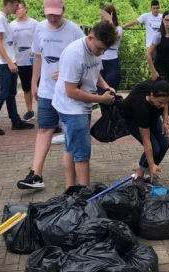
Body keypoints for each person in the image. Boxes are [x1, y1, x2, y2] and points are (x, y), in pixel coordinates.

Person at [17, 0, 85, 190]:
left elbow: (86, 59)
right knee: (44, 129)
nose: (53, 17)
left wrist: (71, 76)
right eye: (49, 14)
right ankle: (36, 174)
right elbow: (37, 56)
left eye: (57, 13)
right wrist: (34, 83)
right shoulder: (39, 28)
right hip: (47, 90)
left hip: (69, 91)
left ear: (63, 10)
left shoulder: (74, 31)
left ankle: (76, 179)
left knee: (70, 132)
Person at [52, 20, 117, 188]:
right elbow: (71, 91)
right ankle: (84, 197)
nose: (101, 53)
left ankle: (70, 191)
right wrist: (101, 99)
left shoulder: (95, 52)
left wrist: (106, 86)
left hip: (80, 106)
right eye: (99, 49)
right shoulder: (75, 54)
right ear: (90, 37)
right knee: (82, 154)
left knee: (70, 147)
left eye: (104, 50)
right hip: (72, 108)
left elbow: (95, 72)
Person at [0, 0, 34, 135]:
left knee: (11, 94)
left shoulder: (3, 19)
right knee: (3, 93)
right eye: (16, 5)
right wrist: (9, 61)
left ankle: (15, 121)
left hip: (9, 61)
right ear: (10, 3)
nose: (17, 8)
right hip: (3, 63)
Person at [120, 78, 169, 187]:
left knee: (164, 144)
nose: (163, 105)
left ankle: (150, 174)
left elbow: (166, 102)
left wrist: (165, 121)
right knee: (154, 147)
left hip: (152, 116)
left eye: (165, 102)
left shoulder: (160, 88)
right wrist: (152, 163)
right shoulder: (141, 108)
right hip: (132, 119)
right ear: (152, 95)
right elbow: (146, 140)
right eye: (160, 102)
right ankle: (138, 177)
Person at [145, 10, 169, 129]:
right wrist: (153, 71)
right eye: (166, 20)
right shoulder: (158, 35)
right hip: (160, 68)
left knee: (159, 93)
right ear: (162, 21)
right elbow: (148, 54)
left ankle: (152, 112)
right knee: (165, 91)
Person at [10, 1, 38, 121]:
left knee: (39, 86)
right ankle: (29, 111)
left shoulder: (35, 24)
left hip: (35, 61)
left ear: (25, 9)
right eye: (15, 8)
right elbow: (9, 44)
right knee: (26, 88)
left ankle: (43, 110)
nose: (17, 10)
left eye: (19, 8)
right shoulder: (11, 25)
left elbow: (39, 40)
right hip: (21, 61)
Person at [99, 4, 123, 116]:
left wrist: (110, 22)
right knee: (100, 95)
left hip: (112, 64)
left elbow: (113, 39)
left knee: (110, 93)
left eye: (103, 15)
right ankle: (106, 119)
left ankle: (112, 120)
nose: (101, 18)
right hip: (100, 63)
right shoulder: (100, 29)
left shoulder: (118, 29)